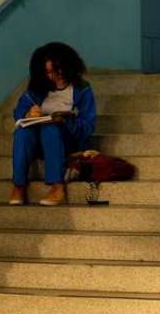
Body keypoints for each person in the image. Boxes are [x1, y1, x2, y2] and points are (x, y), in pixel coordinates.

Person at [9, 42, 96, 206]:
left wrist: (66, 121)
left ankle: (57, 185)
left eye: (58, 69)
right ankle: (18, 185)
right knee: (21, 132)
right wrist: (27, 114)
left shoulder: (82, 89)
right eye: (49, 72)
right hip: (40, 144)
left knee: (50, 129)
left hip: (67, 142)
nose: (56, 75)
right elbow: (18, 114)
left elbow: (88, 127)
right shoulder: (37, 89)